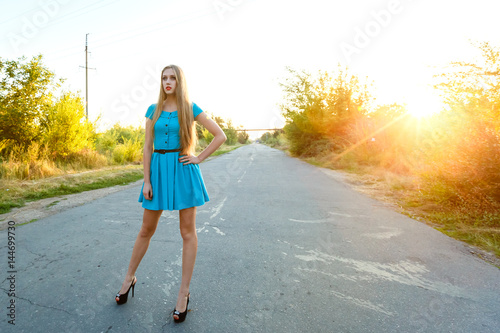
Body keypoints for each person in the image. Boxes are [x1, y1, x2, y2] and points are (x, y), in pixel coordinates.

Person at [115, 64, 226, 323]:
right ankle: (129, 278)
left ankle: (183, 294)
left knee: (187, 232)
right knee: (145, 230)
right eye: (164, 77)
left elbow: (220, 136)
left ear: (179, 81)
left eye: (172, 78)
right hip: (157, 171)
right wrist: (146, 180)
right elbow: (146, 147)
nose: (167, 81)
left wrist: (199, 157)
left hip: (183, 169)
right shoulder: (152, 110)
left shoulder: (190, 108)